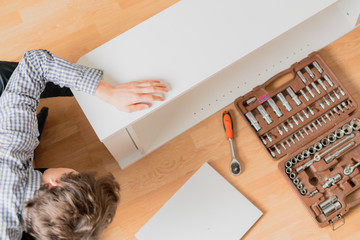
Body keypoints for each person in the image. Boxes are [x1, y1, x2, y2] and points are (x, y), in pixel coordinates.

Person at [0, 49, 168, 240]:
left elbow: (35, 63)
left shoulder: (14, 143)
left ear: (55, 183)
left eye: (76, 174)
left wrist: (108, 91)